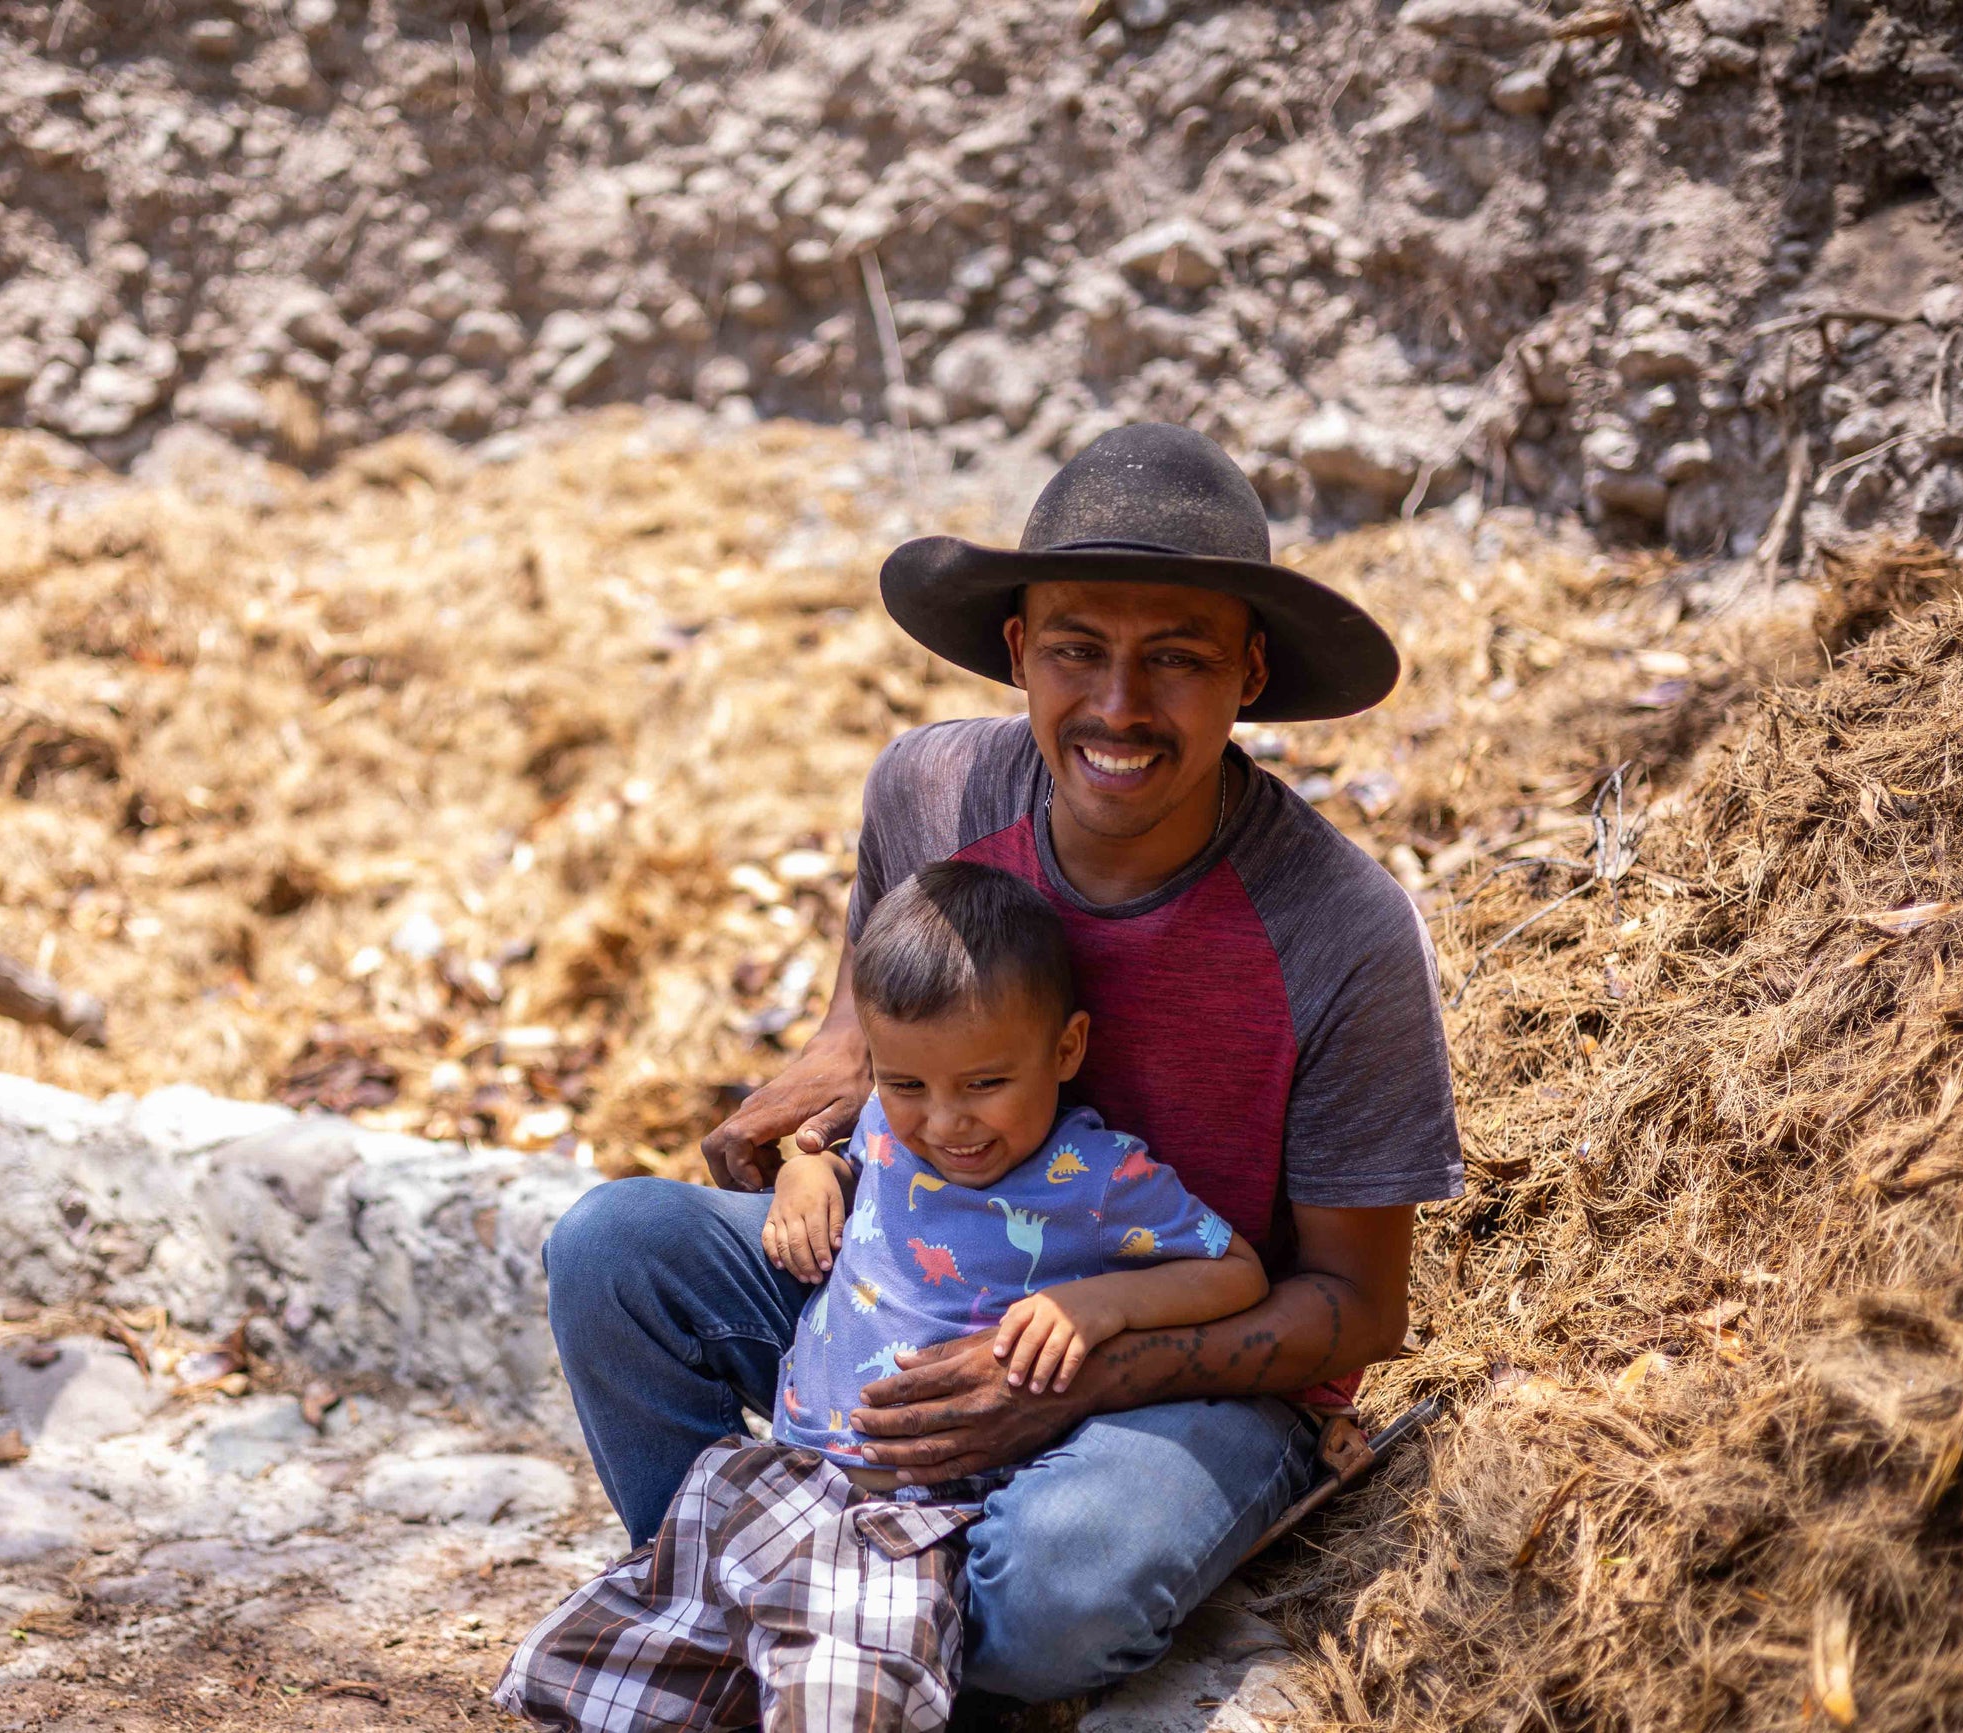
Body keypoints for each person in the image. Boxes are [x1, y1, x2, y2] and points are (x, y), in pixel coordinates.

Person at [540, 422, 1463, 1706]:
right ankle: (744, 1600)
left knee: (1058, 1582)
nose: (1118, 706)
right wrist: (815, 1106)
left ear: (1249, 671)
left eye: (1176, 658)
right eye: (1077, 649)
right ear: (1019, 649)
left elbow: (1355, 1310)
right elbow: (865, 1017)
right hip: (924, 1276)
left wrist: (1073, 1374)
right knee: (614, 1249)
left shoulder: (1338, 930)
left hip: (1177, 1365)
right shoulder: (929, 793)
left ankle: (888, 1634)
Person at [499, 863, 1267, 1732]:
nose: (945, 1123)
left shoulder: (1098, 1179)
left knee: (839, 1703)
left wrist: (1101, 1306)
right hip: (786, 1484)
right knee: (580, 1664)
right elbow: (855, 1163)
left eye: (985, 1084)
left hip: (919, 1524)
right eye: (908, 1086)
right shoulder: (882, 1124)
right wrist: (807, 1172)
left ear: (1066, 1049)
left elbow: (1235, 1271)